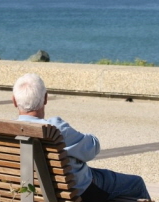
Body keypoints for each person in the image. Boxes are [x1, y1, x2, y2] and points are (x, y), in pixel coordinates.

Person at [12, 73, 151, 202]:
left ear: (14, 101)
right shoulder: (54, 128)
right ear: (46, 99)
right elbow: (91, 149)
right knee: (136, 183)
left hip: (30, 192)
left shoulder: (7, 131)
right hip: (77, 192)